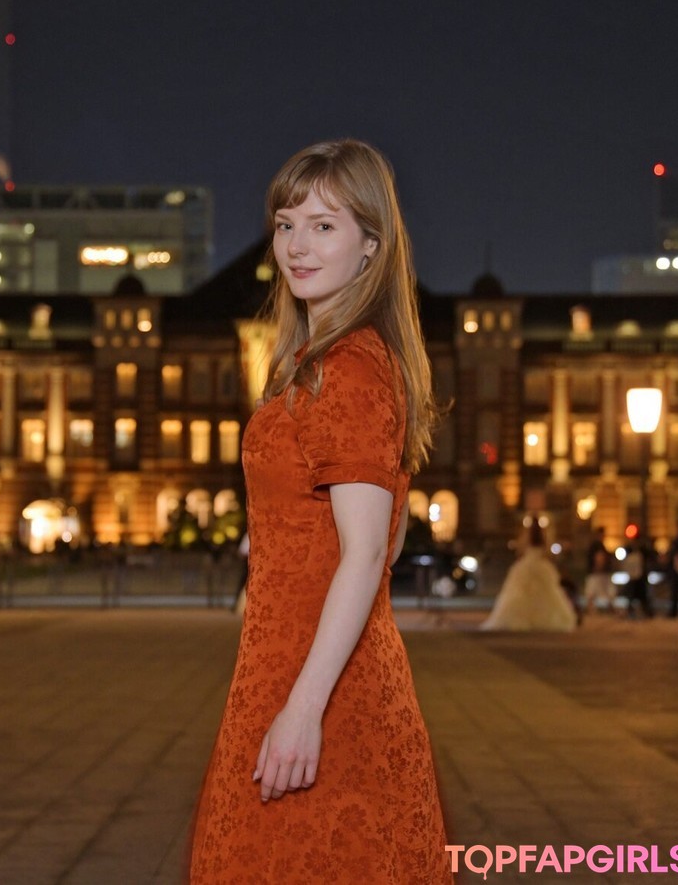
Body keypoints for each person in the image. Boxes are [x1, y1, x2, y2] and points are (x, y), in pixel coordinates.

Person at [189, 140, 451, 882]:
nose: (296, 246)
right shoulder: (331, 361)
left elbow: (367, 554)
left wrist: (305, 707)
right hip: (302, 662)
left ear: (372, 244)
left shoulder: (349, 368)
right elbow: (386, 538)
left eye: (324, 225)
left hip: (319, 681)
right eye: (285, 224)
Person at [480, 525, 578, 632]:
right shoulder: (545, 535)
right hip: (540, 564)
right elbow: (548, 551)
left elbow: (520, 549)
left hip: (527, 562)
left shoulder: (525, 534)